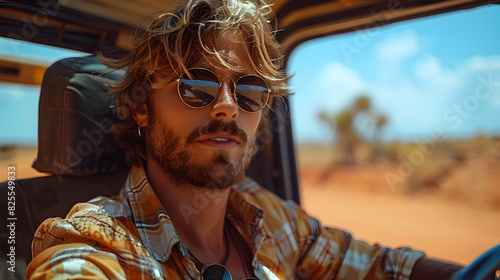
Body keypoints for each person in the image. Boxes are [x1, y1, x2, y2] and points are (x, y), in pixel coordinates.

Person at [26, 0, 467, 279]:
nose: (227, 107)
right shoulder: (98, 245)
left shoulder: (269, 217)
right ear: (142, 106)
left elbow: (381, 266)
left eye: (250, 91)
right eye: (196, 86)